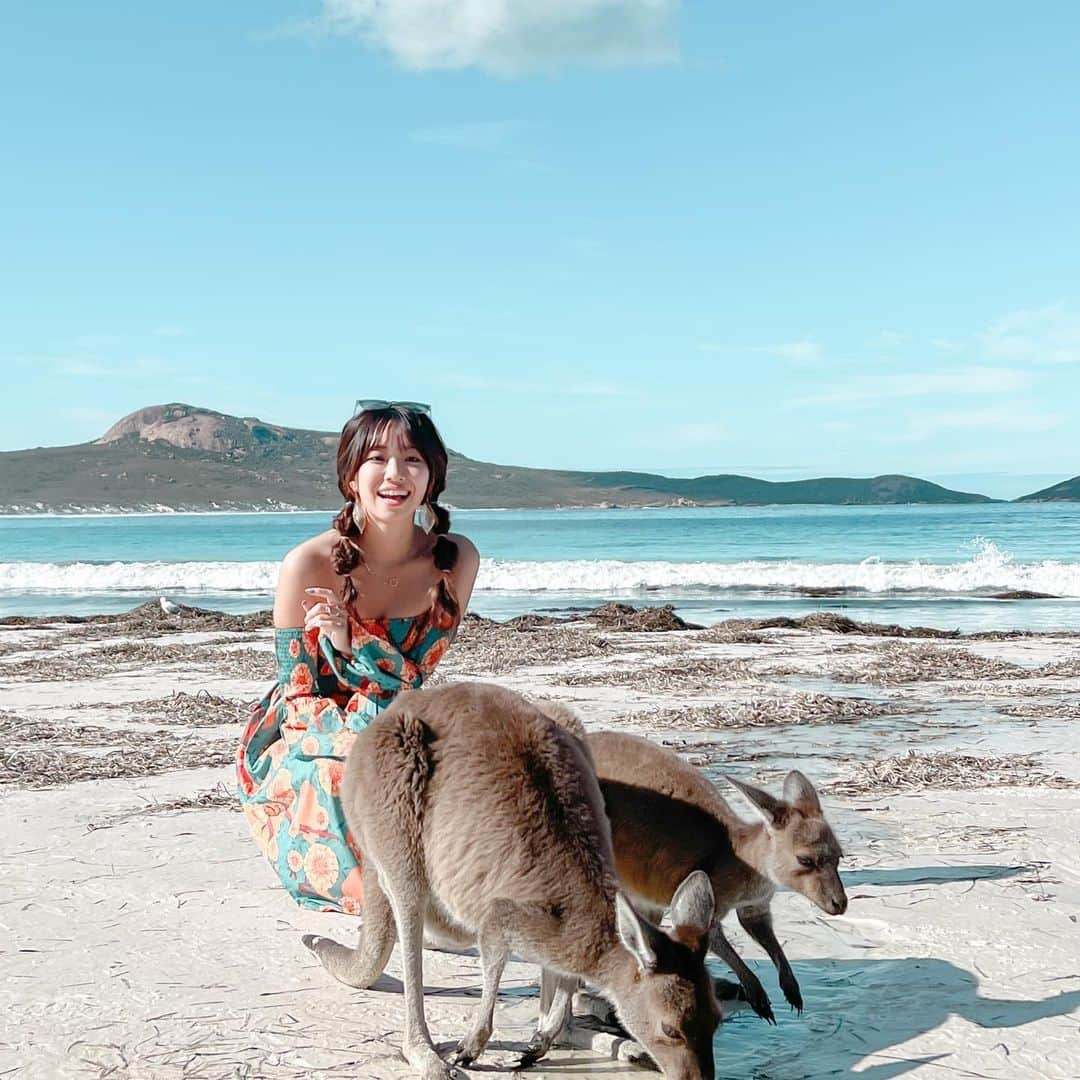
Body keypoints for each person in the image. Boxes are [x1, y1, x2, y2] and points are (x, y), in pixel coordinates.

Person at [236, 401, 480, 913]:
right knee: (353, 769)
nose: (395, 474)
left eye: (412, 459)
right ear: (351, 476)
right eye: (376, 459)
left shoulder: (455, 559)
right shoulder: (308, 564)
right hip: (305, 731)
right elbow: (299, 698)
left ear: (433, 476)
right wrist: (348, 663)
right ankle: (387, 899)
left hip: (399, 711)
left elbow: (415, 681)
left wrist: (355, 642)